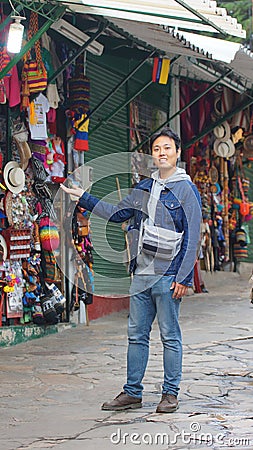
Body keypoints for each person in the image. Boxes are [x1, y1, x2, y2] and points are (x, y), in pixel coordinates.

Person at [60, 127, 202, 413]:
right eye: (157, 148)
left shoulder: (187, 189)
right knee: (136, 334)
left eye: (167, 148)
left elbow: (193, 235)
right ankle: (132, 392)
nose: (162, 153)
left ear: (177, 152)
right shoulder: (144, 187)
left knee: (169, 335)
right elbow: (118, 214)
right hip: (142, 272)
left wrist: (184, 277)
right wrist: (83, 198)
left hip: (169, 273)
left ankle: (170, 394)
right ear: (153, 154)